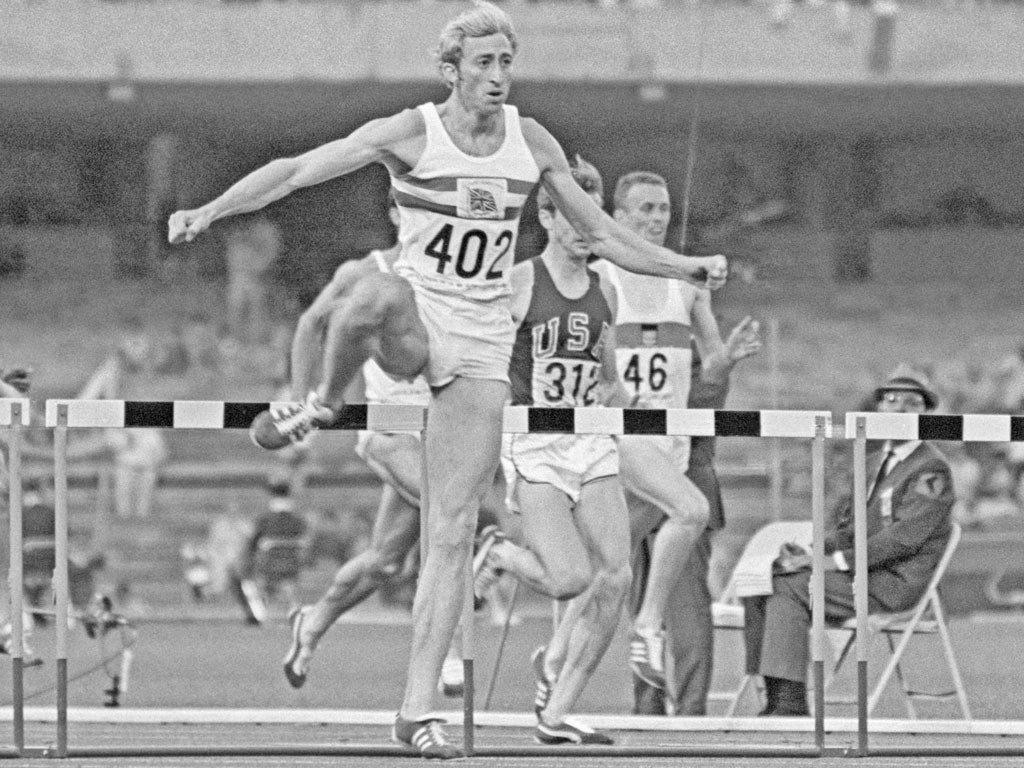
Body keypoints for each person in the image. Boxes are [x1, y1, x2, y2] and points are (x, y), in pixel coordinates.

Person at [167, 3, 727, 757]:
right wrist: (212, 209)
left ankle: (416, 707)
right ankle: (321, 401)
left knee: (452, 532)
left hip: (483, 344)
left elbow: (600, 232)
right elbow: (300, 170)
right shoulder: (412, 132)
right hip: (418, 319)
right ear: (451, 70)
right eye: (484, 64)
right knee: (371, 294)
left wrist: (685, 267)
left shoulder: (531, 141)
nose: (497, 78)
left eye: (506, 64)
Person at [281, 193, 504, 696]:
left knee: (385, 560)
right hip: (388, 431)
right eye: (414, 212)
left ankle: (311, 624)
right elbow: (310, 326)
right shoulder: (368, 271)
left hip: (440, 430)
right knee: (455, 520)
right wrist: (300, 400)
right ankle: (447, 651)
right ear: (397, 216)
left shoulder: (461, 275)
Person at [472, 156, 629, 745]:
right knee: (568, 580)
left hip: (588, 441)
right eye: (575, 220)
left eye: (595, 221)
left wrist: (616, 395)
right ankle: (503, 556)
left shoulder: (605, 287)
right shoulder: (519, 282)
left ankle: (557, 714)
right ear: (547, 217)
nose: (589, 233)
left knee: (615, 575)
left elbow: (608, 372)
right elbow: (481, 359)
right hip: (534, 444)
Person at [742, 366, 955, 716]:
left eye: (912, 402)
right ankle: (776, 692)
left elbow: (901, 542)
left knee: (791, 585)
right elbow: (850, 528)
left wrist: (825, 563)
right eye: (891, 400)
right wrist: (811, 552)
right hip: (858, 575)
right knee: (767, 578)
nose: (901, 409)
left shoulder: (931, 469)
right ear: (877, 410)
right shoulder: (872, 462)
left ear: (926, 413)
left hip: (891, 583)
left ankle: (789, 700)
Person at [592, 170, 727, 692]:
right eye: (645, 209)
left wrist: (726, 358)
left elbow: (711, 362)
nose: (656, 219)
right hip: (619, 440)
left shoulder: (686, 284)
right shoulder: (603, 276)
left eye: (663, 209)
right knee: (687, 511)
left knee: (602, 565)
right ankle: (647, 624)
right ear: (619, 216)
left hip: (671, 444)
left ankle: (557, 654)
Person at [631, 317, 763, 716]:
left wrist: (723, 363)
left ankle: (690, 709)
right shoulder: (631, 360)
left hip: (685, 493)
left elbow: (705, 397)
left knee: (685, 610)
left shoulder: (681, 361)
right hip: (637, 497)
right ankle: (647, 706)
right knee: (640, 612)